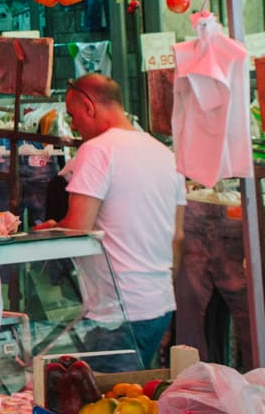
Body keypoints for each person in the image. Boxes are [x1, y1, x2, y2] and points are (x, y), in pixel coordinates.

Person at [47, 74, 185, 368]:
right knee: (132, 400)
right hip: (158, 306)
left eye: (72, 116)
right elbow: (178, 238)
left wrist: (51, 230)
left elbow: (78, 229)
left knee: (108, 406)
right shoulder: (166, 155)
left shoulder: (97, 150)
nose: (73, 125)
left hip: (116, 312)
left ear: (88, 105)